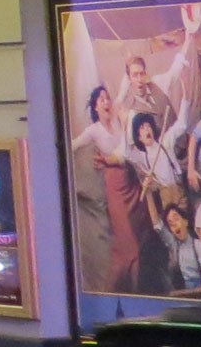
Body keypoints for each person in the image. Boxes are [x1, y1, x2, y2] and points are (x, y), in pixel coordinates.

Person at [69, 84, 141, 292]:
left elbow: (124, 89)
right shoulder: (93, 130)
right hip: (113, 184)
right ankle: (124, 284)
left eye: (107, 98)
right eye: (101, 99)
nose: (107, 102)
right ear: (95, 106)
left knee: (138, 228)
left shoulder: (119, 119)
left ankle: (133, 284)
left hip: (130, 178)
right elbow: (73, 144)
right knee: (126, 237)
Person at [152, 203, 201, 295]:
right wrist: (148, 194)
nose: (174, 224)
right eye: (171, 224)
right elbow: (157, 225)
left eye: (176, 219)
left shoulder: (197, 244)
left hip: (200, 291)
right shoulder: (174, 245)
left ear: (185, 222)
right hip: (181, 292)